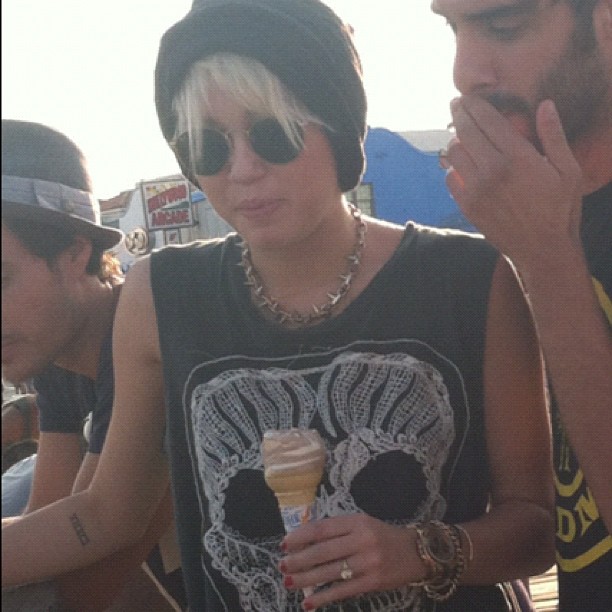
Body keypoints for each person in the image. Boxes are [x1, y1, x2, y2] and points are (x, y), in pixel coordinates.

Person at [2, 1, 555, 610]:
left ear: (339, 128)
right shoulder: (161, 293)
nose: (243, 169)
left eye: (275, 134)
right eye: (208, 147)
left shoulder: (468, 278)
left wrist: (422, 550)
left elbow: (538, 526)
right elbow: (107, 514)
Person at [431, 0, 612, 609]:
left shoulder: (540, 236)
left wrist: (547, 261)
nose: (465, 72)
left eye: (503, 26)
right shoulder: (536, 208)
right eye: (453, 28)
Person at [1, 120, 183, 611]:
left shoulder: (153, 338)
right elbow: (51, 521)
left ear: (76, 252)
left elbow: (91, 566)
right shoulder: (56, 352)